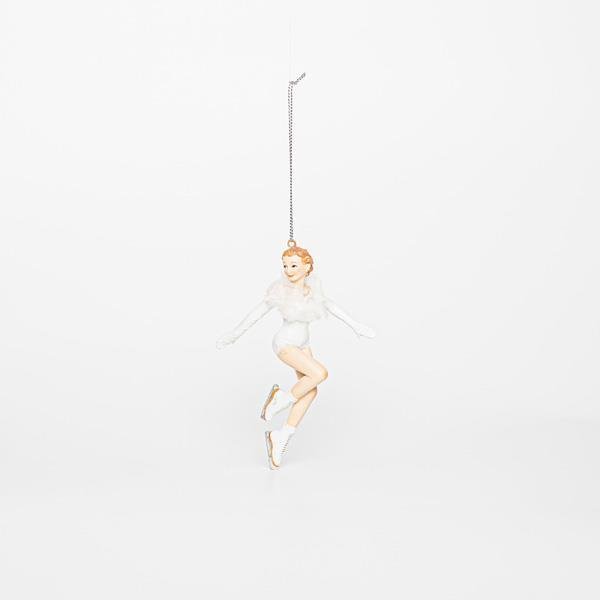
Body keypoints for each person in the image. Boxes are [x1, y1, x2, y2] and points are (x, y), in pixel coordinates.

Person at [216, 243, 375, 469]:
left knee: (310, 391)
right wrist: (234, 334)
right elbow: (257, 312)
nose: (288, 270)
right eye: (285, 265)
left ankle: (281, 436)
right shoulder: (281, 291)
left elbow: (331, 306)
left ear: (307, 267)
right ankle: (280, 399)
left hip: (303, 345)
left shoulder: (313, 290)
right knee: (320, 374)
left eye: (293, 265)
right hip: (286, 343)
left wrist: (356, 326)